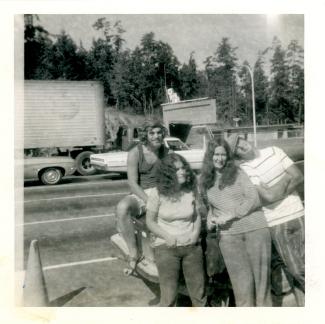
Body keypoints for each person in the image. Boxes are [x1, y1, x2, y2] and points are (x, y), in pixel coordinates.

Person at [227, 134, 305, 305]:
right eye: (237, 149)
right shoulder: (245, 169)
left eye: (241, 142)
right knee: (296, 269)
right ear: (236, 156)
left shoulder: (274, 151)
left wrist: (277, 192)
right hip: (276, 222)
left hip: (299, 213)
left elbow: (299, 176)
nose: (242, 146)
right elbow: (268, 197)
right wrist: (285, 178)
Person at [199, 138, 272, 307]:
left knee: (262, 287)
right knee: (241, 289)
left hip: (255, 230)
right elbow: (212, 207)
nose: (220, 158)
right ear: (209, 156)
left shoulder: (238, 173)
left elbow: (253, 198)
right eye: (216, 154)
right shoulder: (204, 181)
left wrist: (231, 215)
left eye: (223, 154)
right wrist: (210, 218)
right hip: (229, 238)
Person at [146, 153, 207, 307]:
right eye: (177, 170)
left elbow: (197, 216)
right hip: (167, 247)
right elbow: (150, 222)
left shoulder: (191, 190)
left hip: (191, 247)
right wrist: (166, 236)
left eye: (183, 168)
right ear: (167, 174)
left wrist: (195, 235)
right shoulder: (157, 193)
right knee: (169, 298)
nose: (183, 172)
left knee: (199, 295)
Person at [116, 119, 169, 274]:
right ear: (145, 134)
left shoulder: (166, 152)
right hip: (141, 192)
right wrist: (149, 201)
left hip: (161, 192)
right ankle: (134, 254)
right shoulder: (135, 153)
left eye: (159, 133)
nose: (156, 136)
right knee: (122, 207)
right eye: (152, 133)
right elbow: (132, 183)